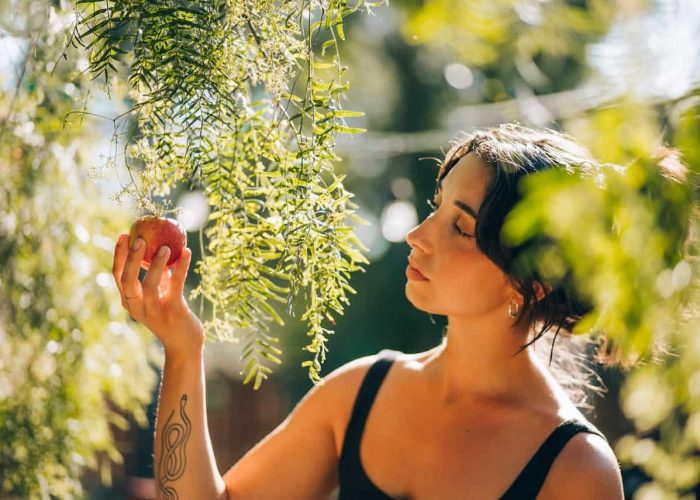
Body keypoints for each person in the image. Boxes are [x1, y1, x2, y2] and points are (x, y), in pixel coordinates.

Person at [112, 124, 630, 499]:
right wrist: (182, 346)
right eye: (436, 207)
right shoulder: (361, 393)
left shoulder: (576, 470)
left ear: (531, 283)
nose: (418, 235)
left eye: (462, 227)